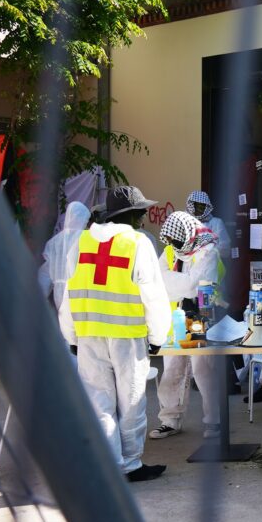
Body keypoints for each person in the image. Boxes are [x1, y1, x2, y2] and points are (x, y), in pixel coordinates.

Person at [59, 186, 170, 481]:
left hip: (88, 335)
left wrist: (70, 336)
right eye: (141, 211)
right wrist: (158, 336)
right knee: (132, 402)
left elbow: (70, 293)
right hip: (127, 336)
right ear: (130, 214)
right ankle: (130, 465)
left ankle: (108, 466)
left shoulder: (81, 242)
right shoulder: (138, 243)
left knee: (100, 405)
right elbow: (153, 295)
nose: (145, 216)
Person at [150, 211, 223, 439]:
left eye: (177, 240)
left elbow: (197, 286)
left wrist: (177, 283)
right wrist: (184, 283)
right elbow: (158, 280)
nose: (174, 244)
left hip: (201, 316)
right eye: (171, 240)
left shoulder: (208, 250)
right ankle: (170, 420)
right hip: (174, 319)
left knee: (202, 369)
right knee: (171, 370)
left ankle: (214, 420)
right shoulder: (170, 251)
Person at [39, 202, 91, 312]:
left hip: (59, 298)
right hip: (82, 298)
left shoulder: (55, 243)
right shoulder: (87, 240)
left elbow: (44, 277)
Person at [186, 191, 231, 258]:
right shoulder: (184, 222)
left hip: (210, 264)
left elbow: (225, 248)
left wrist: (204, 252)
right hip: (187, 266)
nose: (199, 209)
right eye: (197, 206)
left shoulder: (216, 223)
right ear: (191, 206)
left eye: (202, 206)